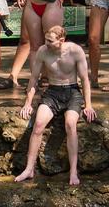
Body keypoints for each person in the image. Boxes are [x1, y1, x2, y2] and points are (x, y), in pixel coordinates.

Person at [15, 26, 97, 186]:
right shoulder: (43, 51)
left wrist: (88, 105)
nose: (46, 43)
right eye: (46, 39)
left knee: (70, 124)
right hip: (52, 92)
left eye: (50, 41)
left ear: (61, 41)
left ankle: (73, 171)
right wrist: (28, 103)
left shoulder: (76, 51)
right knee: (38, 125)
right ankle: (29, 168)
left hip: (72, 91)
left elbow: (85, 80)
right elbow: (33, 79)